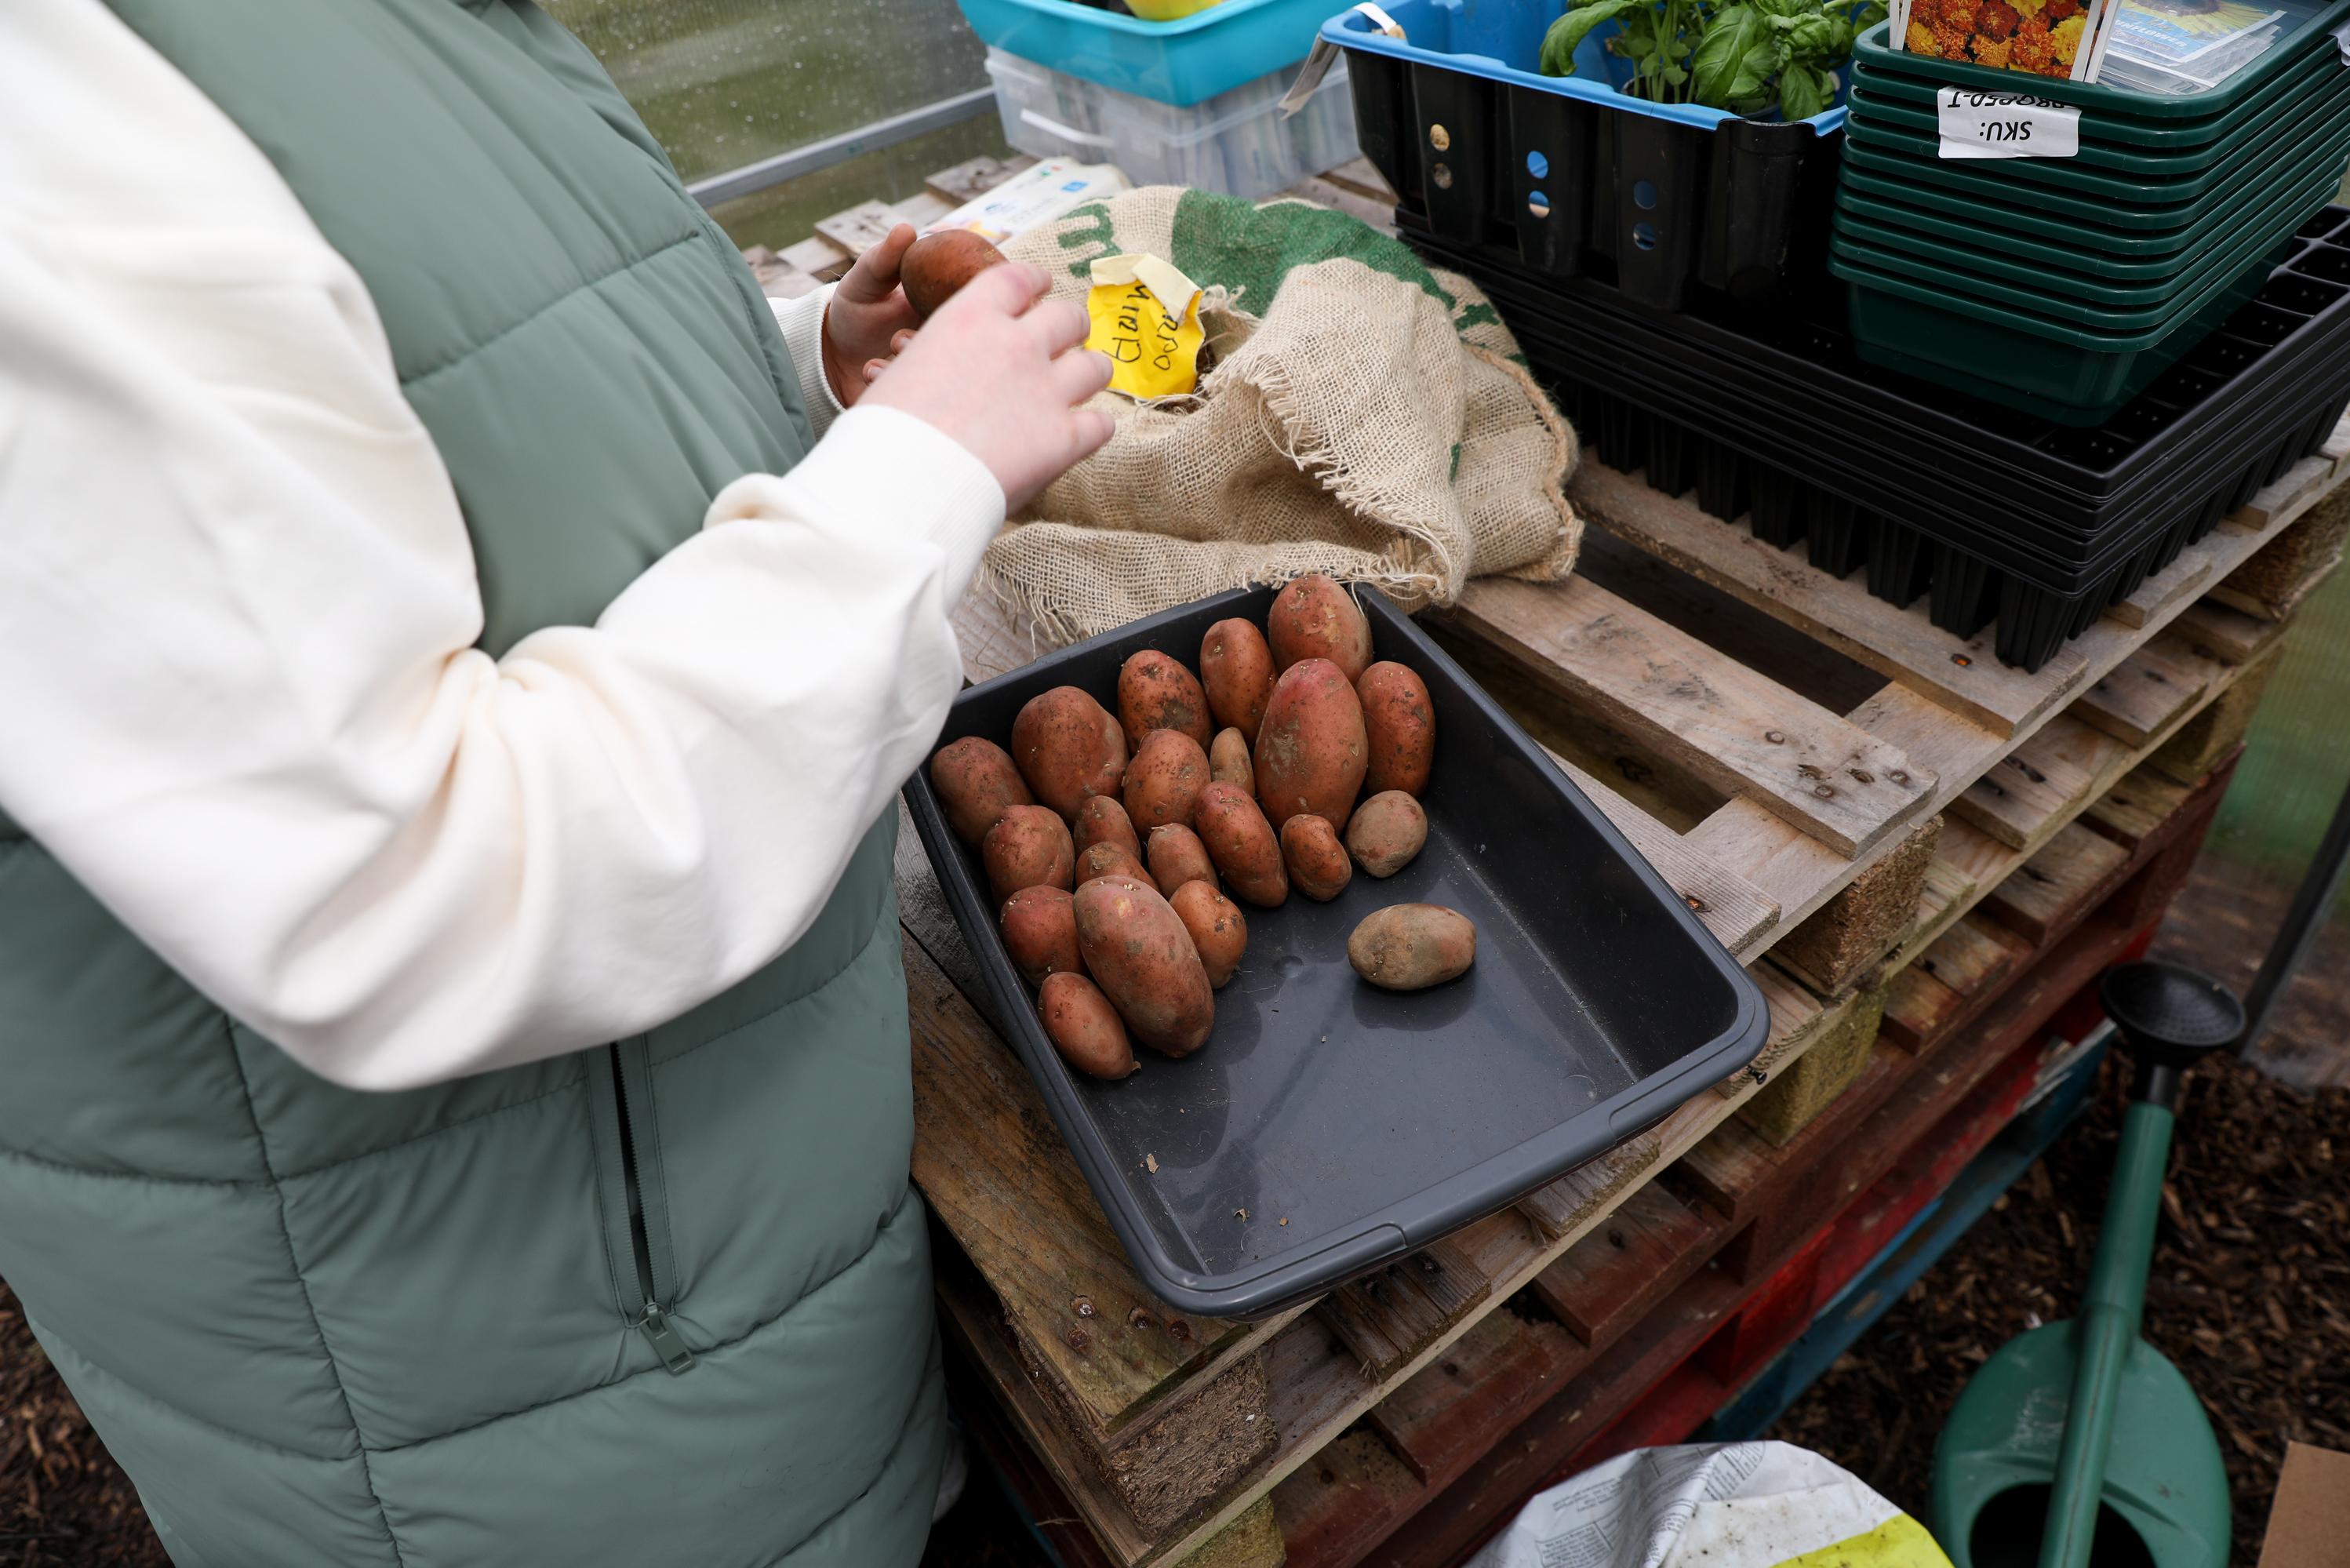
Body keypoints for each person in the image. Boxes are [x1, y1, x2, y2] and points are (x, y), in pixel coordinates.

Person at [0, 2, 1114, 1564]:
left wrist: (789, 366)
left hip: (735, 1243)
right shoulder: (34, 151)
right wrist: (911, 482)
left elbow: (452, 389)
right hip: (519, 1415)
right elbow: (419, 888)